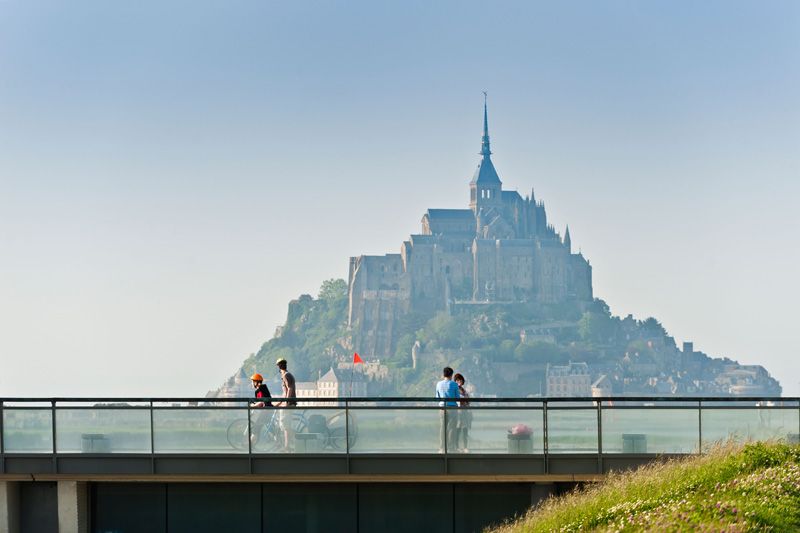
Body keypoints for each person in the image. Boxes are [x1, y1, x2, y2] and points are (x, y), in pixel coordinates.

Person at [274, 358, 297, 452]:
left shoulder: (286, 375)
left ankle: (299, 439)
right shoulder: (288, 375)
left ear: (279, 367)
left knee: (284, 425)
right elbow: (286, 391)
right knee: (286, 425)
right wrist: (279, 403)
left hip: (288, 404)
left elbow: (290, 388)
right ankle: (287, 446)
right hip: (288, 403)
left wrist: (286, 403)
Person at [435, 366, 459, 452]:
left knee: (443, 428)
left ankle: (442, 448)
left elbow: (437, 397)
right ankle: (451, 448)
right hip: (452, 407)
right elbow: (457, 397)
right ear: (451, 375)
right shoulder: (454, 384)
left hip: (442, 407)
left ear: (443, 374)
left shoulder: (438, 384)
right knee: (452, 428)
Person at [249, 373, 272, 445]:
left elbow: (261, 402)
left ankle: (249, 445)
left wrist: (254, 405)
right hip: (268, 410)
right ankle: (279, 444)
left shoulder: (261, 390)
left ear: (256, 382)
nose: (252, 383)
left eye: (252, 382)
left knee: (256, 427)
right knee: (271, 428)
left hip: (265, 411)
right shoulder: (261, 389)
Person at [453, 373, 472, 453]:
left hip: (465, 411)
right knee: (458, 429)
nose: (459, 381)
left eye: (460, 380)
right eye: (457, 380)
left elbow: (469, 401)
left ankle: (465, 447)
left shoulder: (463, 390)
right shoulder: (455, 390)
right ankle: (457, 447)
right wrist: (465, 399)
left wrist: (466, 399)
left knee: (465, 430)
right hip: (458, 411)